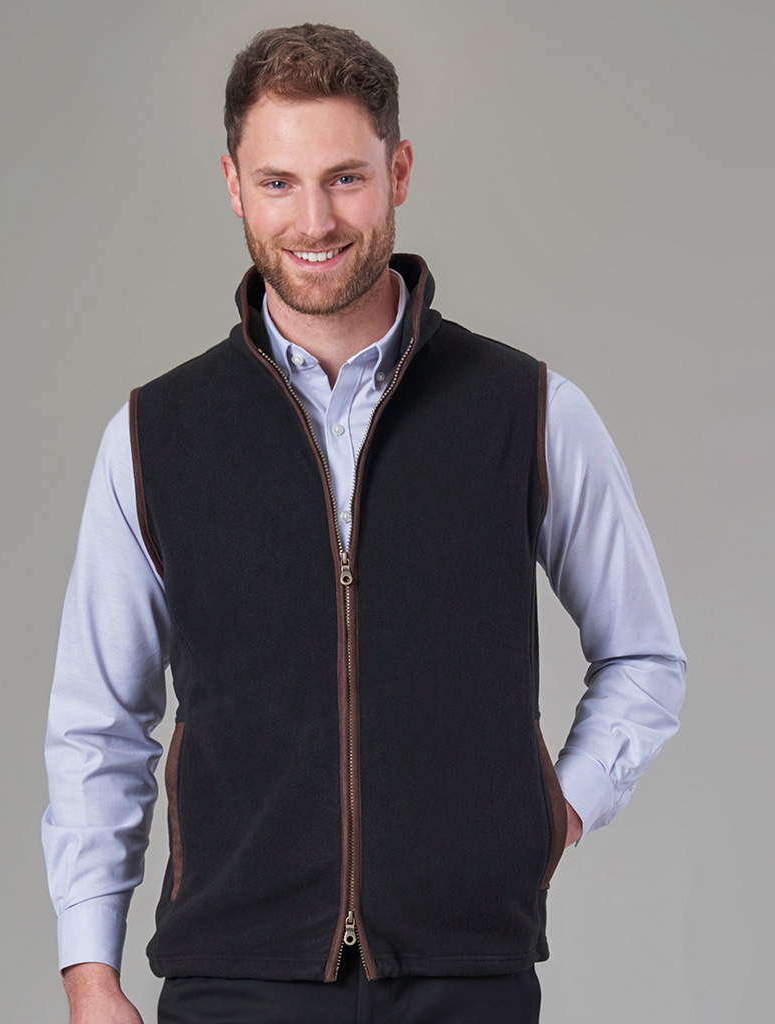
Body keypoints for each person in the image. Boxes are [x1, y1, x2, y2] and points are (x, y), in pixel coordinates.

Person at [41, 23, 687, 1024]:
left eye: (345, 178)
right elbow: (99, 723)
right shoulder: (153, 436)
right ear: (232, 185)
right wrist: (89, 972)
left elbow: (644, 655)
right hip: (232, 981)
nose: (314, 220)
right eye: (278, 182)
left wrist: (552, 814)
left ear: (399, 172)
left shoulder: (528, 411)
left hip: (465, 979)